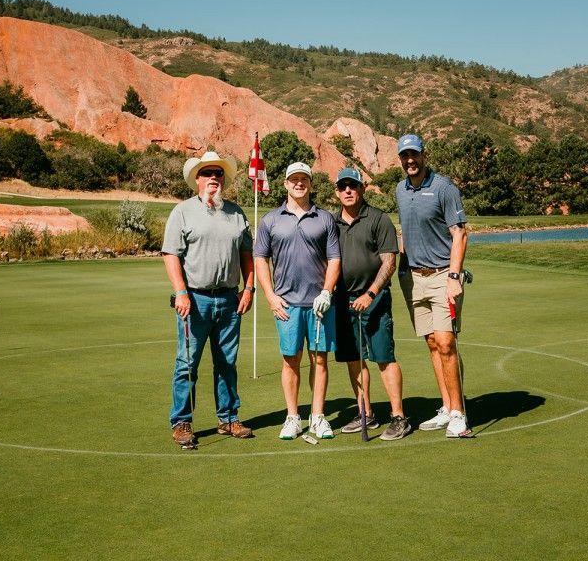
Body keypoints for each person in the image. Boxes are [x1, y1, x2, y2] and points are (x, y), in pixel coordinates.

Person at [162, 151, 257, 449]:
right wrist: (180, 292)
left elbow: (247, 255)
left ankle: (228, 418)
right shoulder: (182, 211)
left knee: (227, 362)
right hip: (195, 299)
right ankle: (182, 422)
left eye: (218, 173)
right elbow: (171, 254)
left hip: (229, 299)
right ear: (197, 180)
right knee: (187, 363)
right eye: (207, 173)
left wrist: (249, 288)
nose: (213, 177)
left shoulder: (236, 213)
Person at [254, 162, 341, 440]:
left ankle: (317, 417)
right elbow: (260, 260)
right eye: (294, 179)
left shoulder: (325, 219)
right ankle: (292, 417)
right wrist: (270, 296)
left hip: (319, 305)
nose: (299, 183)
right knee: (290, 360)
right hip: (287, 304)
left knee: (320, 360)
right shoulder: (270, 220)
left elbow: (334, 259)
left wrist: (327, 292)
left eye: (304, 179)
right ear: (285, 184)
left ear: (311, 184)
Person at [394, 134, 473, 438]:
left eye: (414, 155)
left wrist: (454, 276)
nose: (410, 160)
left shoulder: (443, 187)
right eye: (405, 156)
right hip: (414, 278)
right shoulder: (400, 190)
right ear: (400, 159)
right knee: (431, 343)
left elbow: (460, 234)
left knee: (446, 342)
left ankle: (458, 413)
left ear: (424, 155)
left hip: (443, 276)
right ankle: (446, 405)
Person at [332, 167, 411, 441]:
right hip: (344, 302)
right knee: (354, 359)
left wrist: (371, 293)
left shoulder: (378, 219)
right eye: (342, 186)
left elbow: (389, 261)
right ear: (337, 191)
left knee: (383, 357)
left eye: (352, 185)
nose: (348, 191)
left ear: (362, 188)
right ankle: (365, 413)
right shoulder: (333, 224)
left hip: (374, 301)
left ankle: (399, 416)